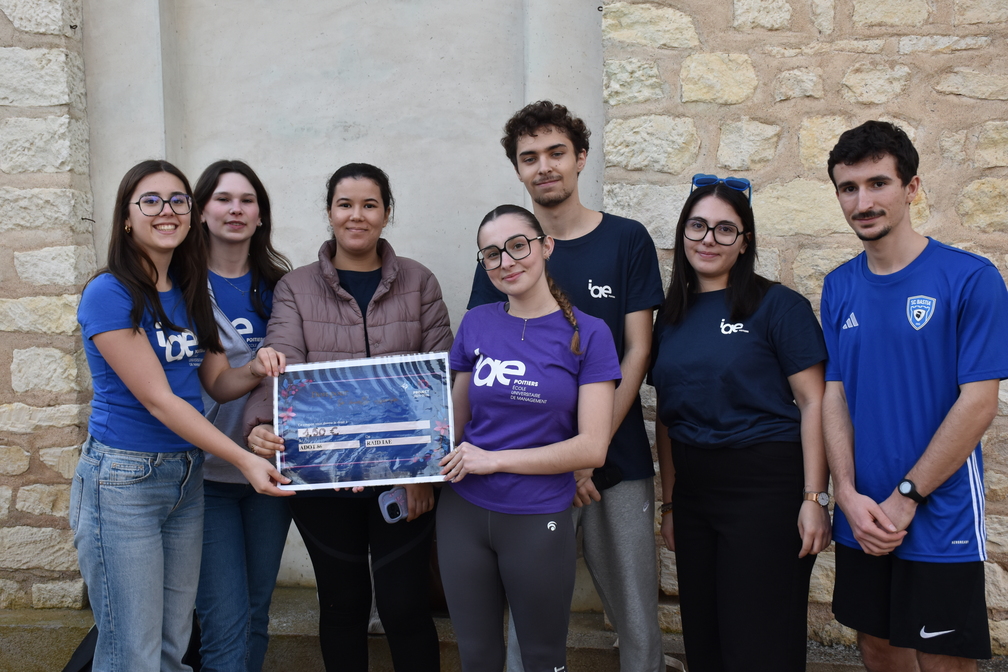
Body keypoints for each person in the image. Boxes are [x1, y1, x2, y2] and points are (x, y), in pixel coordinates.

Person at [72, 159, 292, 672]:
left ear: (191, 214)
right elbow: (160, 400)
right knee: (132, 653)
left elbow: (216, 382)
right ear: (127, 217)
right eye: (150, 201)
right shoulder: (110, 292)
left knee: (172, 646)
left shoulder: (190, 289)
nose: (166, 211)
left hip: (185, 477)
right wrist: (244, 458)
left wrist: (256, 367)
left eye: (177, 200)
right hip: (124, 480)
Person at [467, 100, 665, 672]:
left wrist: (584, 456)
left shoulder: (626, 239)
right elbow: (487, 352)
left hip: (615, 461)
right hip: (526, 468)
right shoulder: (503, 254)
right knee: (527, 622)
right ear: (518, 170)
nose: (544, 166)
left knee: (636, 617)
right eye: (529, 157)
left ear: (580, 158)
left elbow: (638, 350)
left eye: (556, 152)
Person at [241, 163, 451, 672]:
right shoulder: (295, 287)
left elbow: (442, 376)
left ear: (387, 213)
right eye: (345, 204)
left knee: (405, 606)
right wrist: (259, 425)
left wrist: (425, 473)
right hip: (322, 479)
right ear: (330, 212)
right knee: (342, 605)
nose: (357, 215)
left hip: (404, 479)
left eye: (369, 205)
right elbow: (281, 362)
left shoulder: (419, 281)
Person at [822, 120, 1008, 671]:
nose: (863, 202)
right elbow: (835, 395)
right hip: (863, 515)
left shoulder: (970, 278)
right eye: (849, 188)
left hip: (939, 515)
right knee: (877, 648)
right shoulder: (839, 285)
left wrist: (906, 496)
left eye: (878, 183)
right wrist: (846, 493)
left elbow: (979, 402)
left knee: (943, 660)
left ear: (912, 188)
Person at [650, 175, 831, 672]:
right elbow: (667, 413)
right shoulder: (670, 317)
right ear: (683, 234)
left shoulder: (780, 306)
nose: (708, 239)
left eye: (725, 229)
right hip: (694, 495)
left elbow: (814, 402)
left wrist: (815, 498)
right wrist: (670, 503)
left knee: (757, 645)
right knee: (704, 641)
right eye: (697, 226)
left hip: (764, 490)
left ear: (745, 241)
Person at [439, 204, 621, 672]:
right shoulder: (477, 322)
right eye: (492, 254)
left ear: (545, 247)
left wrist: (495, 459)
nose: (506, 262)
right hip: (462, 513)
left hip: (537, 515)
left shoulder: (590, 333)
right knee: (477, 657)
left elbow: (592, 447)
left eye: (517, 246)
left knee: (543, 659)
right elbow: (452, 426)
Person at [192, 160, 293, 672]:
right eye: (223, 199)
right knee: (224, 624)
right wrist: (255, 367)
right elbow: (211, 382)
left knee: (255, 614)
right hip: (206, 475)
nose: (235, 209)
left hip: (271, 475)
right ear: (201, 211)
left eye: (247, 200)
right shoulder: (182, 286)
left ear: (261, 214)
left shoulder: (285, 287)